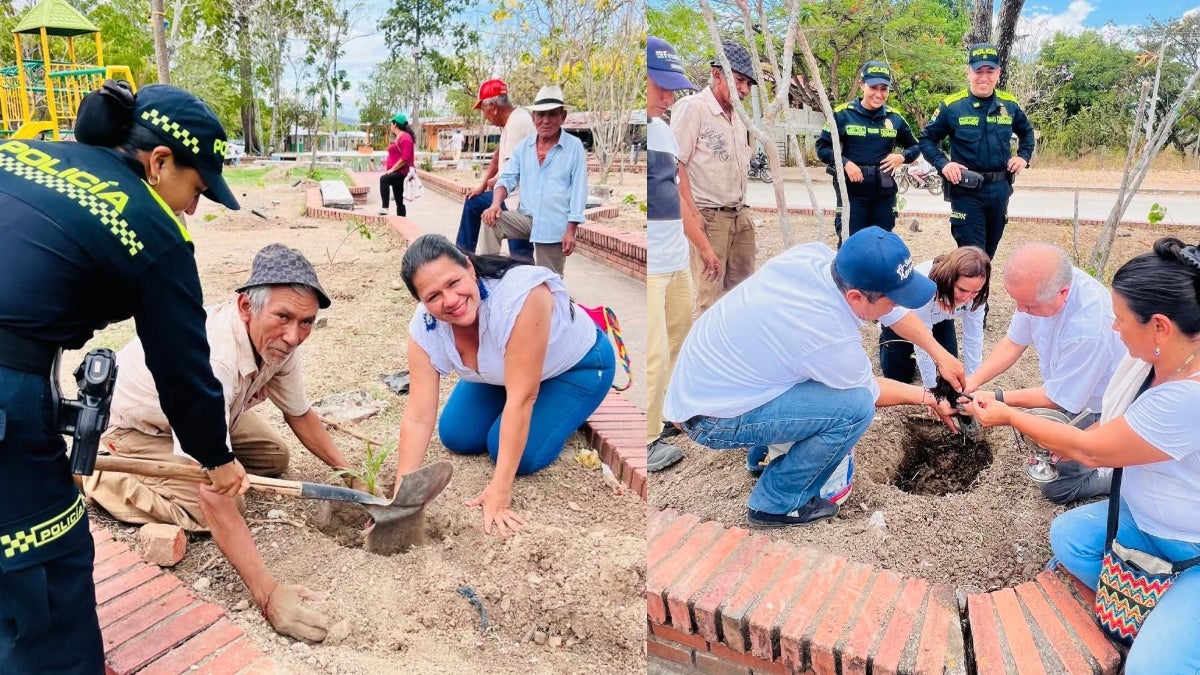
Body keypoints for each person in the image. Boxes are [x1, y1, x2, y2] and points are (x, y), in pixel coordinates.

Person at [0, 82, 249, 673]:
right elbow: (183, 368)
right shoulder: (152, 228)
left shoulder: (17, 151)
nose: (193, 207)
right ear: (159, 161)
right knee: (44, 555)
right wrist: (218, 458)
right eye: (196, 188)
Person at [83, 244, 354, 642]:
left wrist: (349, 473)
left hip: (205, 412)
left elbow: (299, 414)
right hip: (136, 426)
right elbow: (214, 495)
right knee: (220, 502)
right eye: (283, 317)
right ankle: (97, 475)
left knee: (273, 456)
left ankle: (209, 447)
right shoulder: (215, 361)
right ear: (246, 306)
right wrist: (268, 594)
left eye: (307, 322)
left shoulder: (281, 342)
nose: (294, 335)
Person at [963, 237, 1200, 674]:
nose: (1115, 328)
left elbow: (1091, 450)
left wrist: (1009, 415)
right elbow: (1101, 431)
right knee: (1068, 538)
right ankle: (1162, 604)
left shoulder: (1186, 397)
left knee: (1150, 667)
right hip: (1142, 517)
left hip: (1190, 540)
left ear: (1160, 327)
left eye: (1122, 320)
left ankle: (1169, 612)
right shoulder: (1160, 359)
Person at [663, 227, 965, 528]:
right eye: (894, 298)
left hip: (712, 383)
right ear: (856, 296)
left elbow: (890, 312)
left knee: (809, 377)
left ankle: (761, 457)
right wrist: (930, 397)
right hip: (711, 417)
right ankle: (776, 503)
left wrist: (941, 355)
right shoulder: (824, 334)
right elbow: (869, 392)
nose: (899, 304)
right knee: (855, 408)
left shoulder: (816, 259)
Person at [394, 235, 615, 536]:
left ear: (470, 268)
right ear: (421, 302)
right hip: (500, 374)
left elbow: (522, 399)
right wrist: (400, 499)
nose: (450, 300)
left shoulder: (520, 297)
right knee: (457, 434)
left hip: (578, 368)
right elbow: (418, 416)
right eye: (433, 296)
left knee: (513, 454)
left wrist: (499, 493)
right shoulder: (424, 327)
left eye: (453, 282)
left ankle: (564, 408)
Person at [964, 242, 1125, 504]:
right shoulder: (1039, 288)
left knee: (1057, 487)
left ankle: (1120, 473)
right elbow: (1014, 341)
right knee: (1047, 443)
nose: (1020, 310)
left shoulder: (1088, 329)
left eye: (1027, 306)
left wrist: (999, 399)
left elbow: (1057, 398)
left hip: (1101, 403)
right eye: (1017, 302)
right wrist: (973, 381)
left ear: (1063, 293)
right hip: (1067, 389)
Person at [645, 36, 721, 472]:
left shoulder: (663, 132)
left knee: (677, 340)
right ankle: (648, 438)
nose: (669, 96)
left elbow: (680, 199)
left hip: (675, 260)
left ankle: (672, 413)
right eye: (661, 86)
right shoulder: (642, 133)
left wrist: (704, 249)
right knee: (654, 349)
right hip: (652, 265)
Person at [917, 43, 1034, 259]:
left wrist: (1023, 157)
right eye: (978, 71)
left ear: (998, 73)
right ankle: (966, 293)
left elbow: (1027, 133)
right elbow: (926, 140)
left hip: (1000, 190)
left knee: (988, 256)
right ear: (969, 72)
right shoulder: (952, 106)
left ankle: (980, 294)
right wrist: (945, 164)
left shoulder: (1009, 105)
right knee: (972, 258)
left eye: (990, 71)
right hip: (967, 191)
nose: (984, 77)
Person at [670, 41, 756, 314]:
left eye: (748, 84)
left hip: (740, 214)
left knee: (743, 292)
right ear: (717, 74)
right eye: (739, 80)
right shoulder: (693, 108)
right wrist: (693, 214)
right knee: (710, 298)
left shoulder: (740, 116)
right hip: (709, 216)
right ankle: (709, 355)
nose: (744, 89)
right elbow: (675, 164)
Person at [481, 85, 588, 276]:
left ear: (562, 117)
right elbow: (506, 178)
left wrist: (571, 230)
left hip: (554, 224)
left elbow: (578, 191)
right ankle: (486, 275)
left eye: (552, 114)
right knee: (491, 221)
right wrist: (495, 204)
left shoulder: (574, 147)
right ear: (533, 118)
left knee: (550, 280)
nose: (545, 121)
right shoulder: (524, 147)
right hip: (526, 218)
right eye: (540, 115)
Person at [816, 61, 921, 245]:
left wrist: (901, 157)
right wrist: (845, 163)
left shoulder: (894, 118)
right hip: (852, 192)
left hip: (883, 192)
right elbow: (822, 147)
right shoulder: (842, 114)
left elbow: (917, 146)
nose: (879, 94)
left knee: (881, 243)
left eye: (884, 89)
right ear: (862, 85)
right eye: (873, 87)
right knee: (852, 243)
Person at [878, 246, 989, 388]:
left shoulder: (978, 295)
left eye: (975, 292)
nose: (968, 298)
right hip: (904, 318)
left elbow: (973, 338)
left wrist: (973, 383)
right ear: (949, 279)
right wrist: (930, 389)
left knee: (949, 370)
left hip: (939, 320)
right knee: (901, 377)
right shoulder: (926, 288)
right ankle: (886, 337)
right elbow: (922, 343)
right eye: (962, 290)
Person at [453, 79, 534, 261]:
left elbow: (514, 170)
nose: (485, 116)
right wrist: (483, 185)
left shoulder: (517, 124)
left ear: (494, 107)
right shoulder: (510, 121)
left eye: (484, 110)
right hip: (510, 195)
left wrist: (497, 184)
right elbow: (499, 156)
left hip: (519, 200)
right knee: (474, 202)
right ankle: (463, 257)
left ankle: (525, 274)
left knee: (520, 254)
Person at [379, 114, 414, 217]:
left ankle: (385, 208)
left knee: (384, 179)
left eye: (391, 124)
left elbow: (405, 157)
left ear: (395, 124)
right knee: (399, 200)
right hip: (397, 171)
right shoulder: (399, 137)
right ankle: (401, 221)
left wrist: (392, 169)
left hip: (401, 172)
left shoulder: (405, 138)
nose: (390, 126)